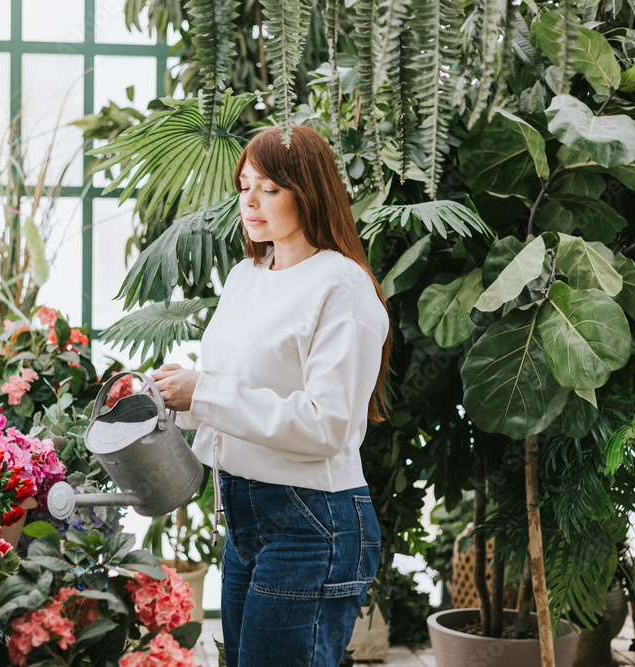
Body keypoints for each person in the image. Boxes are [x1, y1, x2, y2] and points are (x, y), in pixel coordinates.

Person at [149, 124, 392, 667]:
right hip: (244, 515)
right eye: (243, 186)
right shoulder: (246, 275)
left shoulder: (341, 285)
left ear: (308, 191)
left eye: (270, 188)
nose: (250, 202)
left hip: (312, 521)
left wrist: (204, 393)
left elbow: (325, 426)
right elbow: (237, 391)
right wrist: (178, 395)